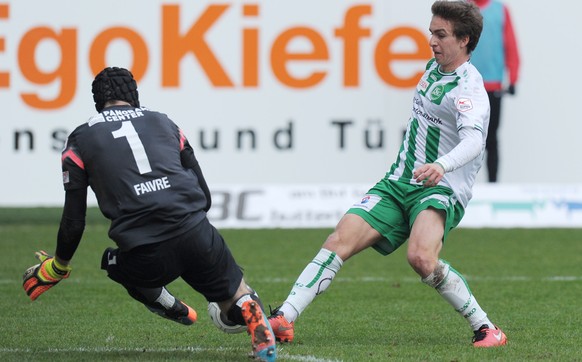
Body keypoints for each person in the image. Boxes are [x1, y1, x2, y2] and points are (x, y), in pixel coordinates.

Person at [268, 1, 507, 348]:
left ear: (464, 40)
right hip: (398, 182)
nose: (432, 41)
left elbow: (473, 141)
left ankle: (486, 328)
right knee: (339, 240)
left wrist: (441, 165)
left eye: (440, 35)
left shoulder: (469, 89)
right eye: (431, 32)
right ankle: (284, 318)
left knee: (421, 258)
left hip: (436, 188)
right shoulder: (434, 69)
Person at [22, 67, 276, 361]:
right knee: (235, 295)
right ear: (134, 96)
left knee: (111, 261)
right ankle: (248, 308)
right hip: (196, 230)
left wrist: (59, 266)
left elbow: (73, 221)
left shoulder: (80, 139)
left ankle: (168, 304)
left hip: (146, 249)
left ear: (97, 101)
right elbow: (204, 194)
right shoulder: (163, 121)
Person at [469, 0, 520, 182]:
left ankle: (493, 185)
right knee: (463, 138)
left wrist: (512, 79)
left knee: (491, 139)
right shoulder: (462, 10)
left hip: (492, 86)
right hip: (466, 87)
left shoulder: (500, 10)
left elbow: (511, 46)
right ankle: (461, 185)